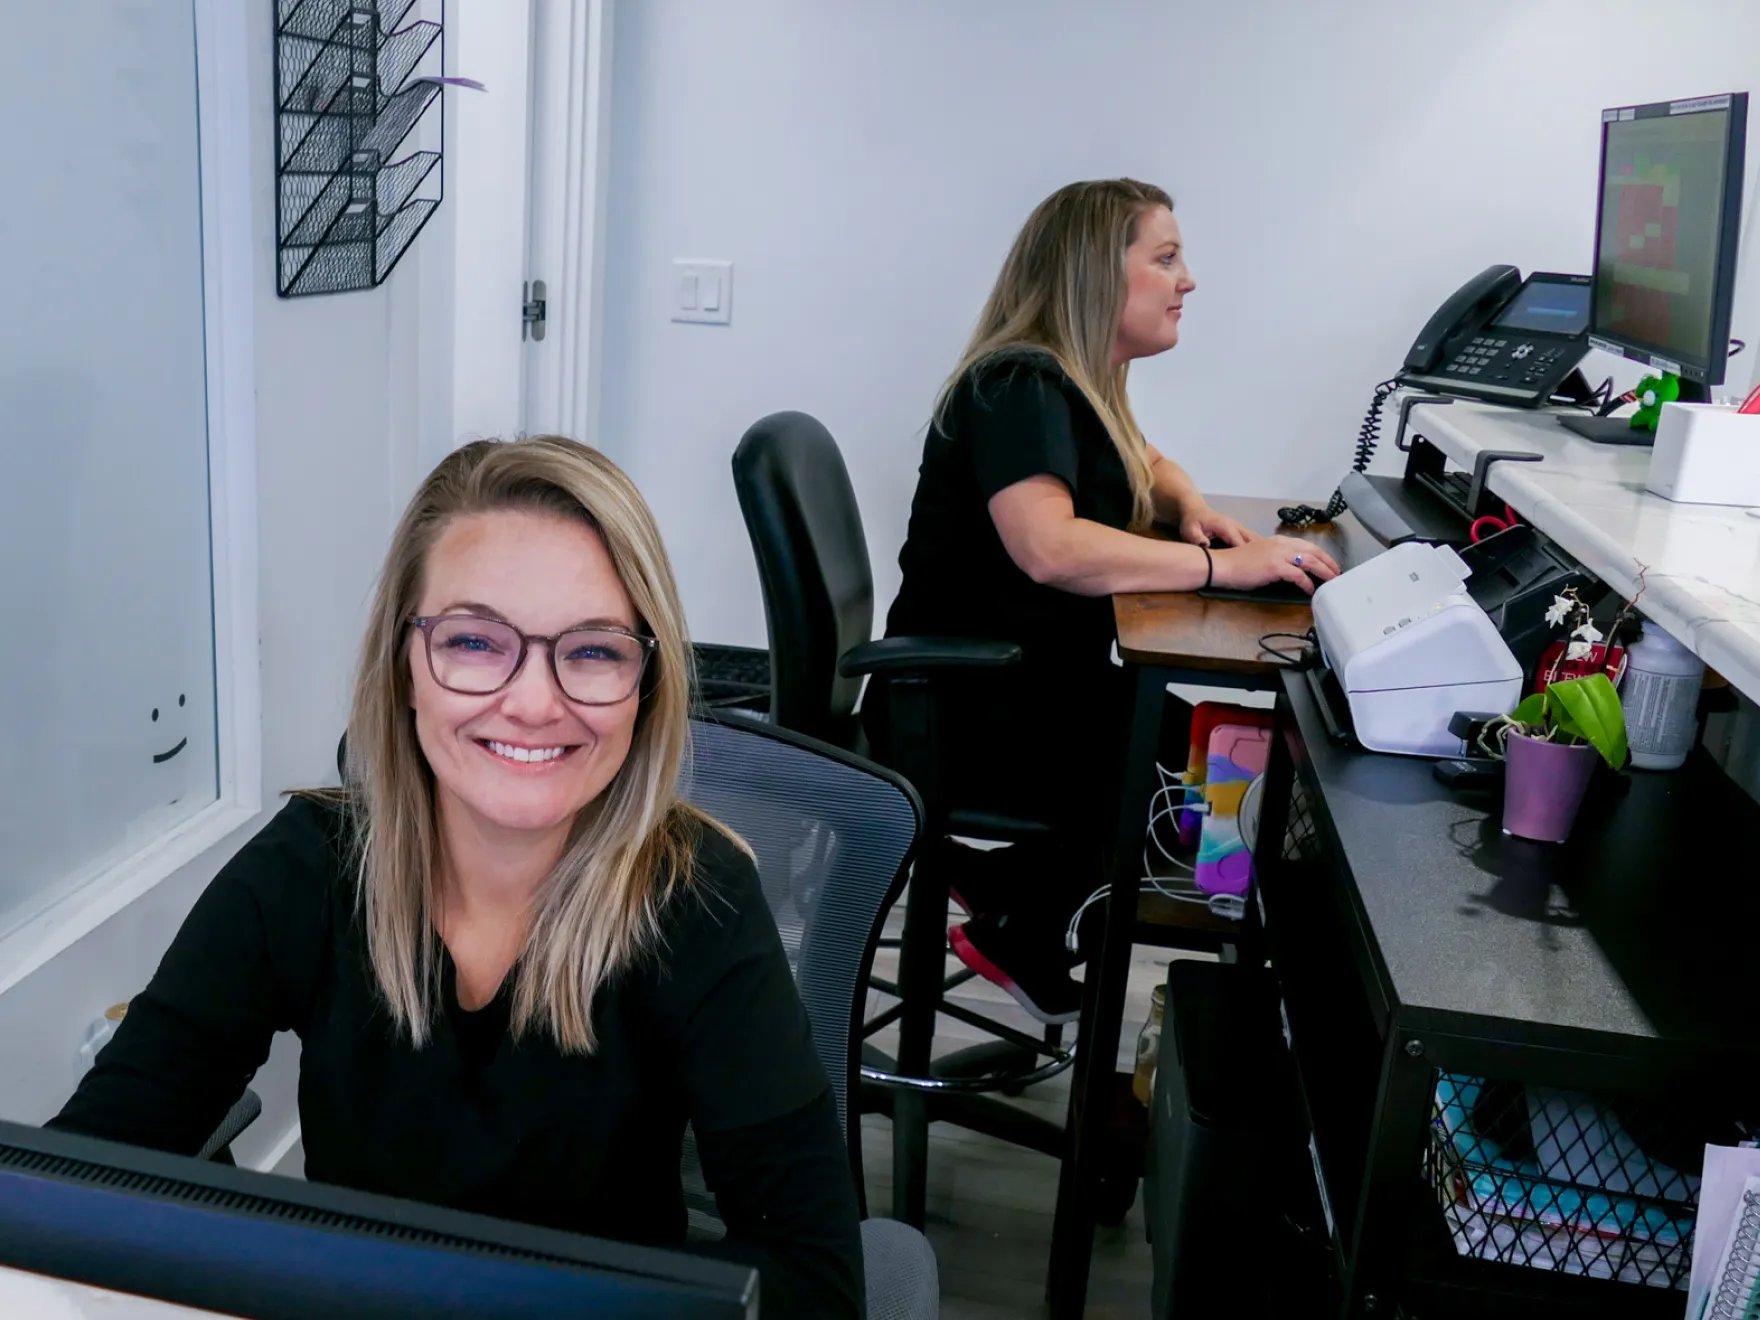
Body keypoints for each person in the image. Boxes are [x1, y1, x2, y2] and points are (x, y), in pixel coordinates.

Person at [51, 437, 863, 1319]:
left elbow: (815, 1281)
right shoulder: (309, 870)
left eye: (592, 652)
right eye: (476, 641)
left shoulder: (697, 900)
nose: (533, 702)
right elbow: (76, 1184)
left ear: (647, 683)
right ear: (403, 666)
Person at [874, 178, 1340, 1023]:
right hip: (962, 712)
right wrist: (1224, 571)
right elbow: (1049, 548)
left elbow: (1148, 463)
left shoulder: (1081, 383)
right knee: (1196, 788)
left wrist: (1193, 509)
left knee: (1194, 759)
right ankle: (1031, 921)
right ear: (1096, 275)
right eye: (1165, 259)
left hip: (1021, 690)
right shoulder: (1016, 386)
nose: (1187, 280)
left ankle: (1022, 898)